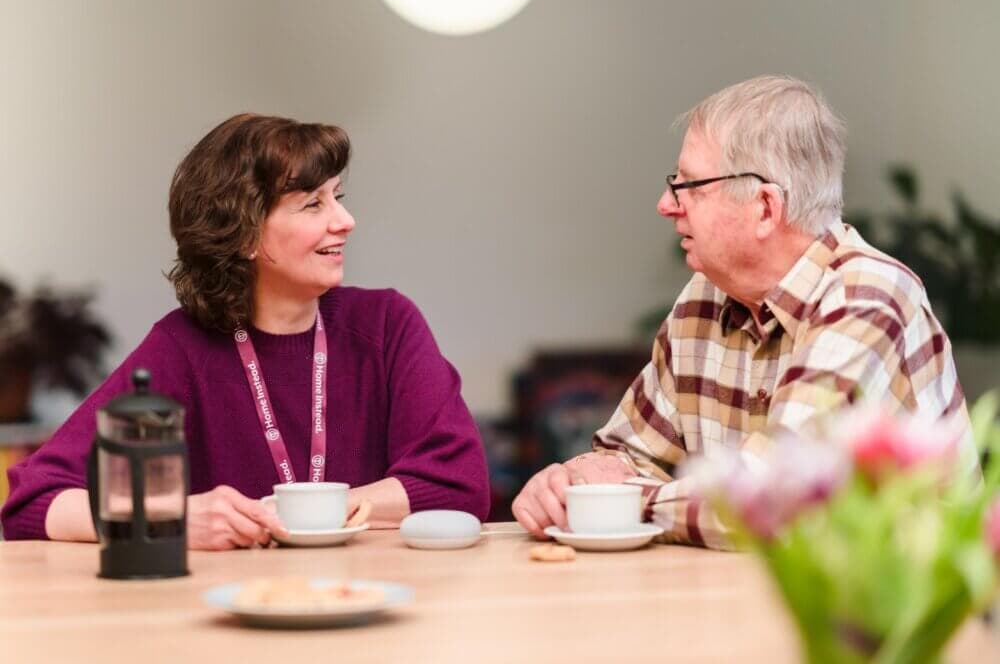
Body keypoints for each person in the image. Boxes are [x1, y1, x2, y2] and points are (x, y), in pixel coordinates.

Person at [512, 75, 977, 549]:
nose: (666, 204)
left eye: (689, 185)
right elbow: (630, 455)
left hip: (891, 596)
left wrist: (617, 501)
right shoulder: (703, 298)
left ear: (765, 208)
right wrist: (570, 482)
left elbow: (774, 500)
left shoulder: (868, 296)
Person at [1, 114, 490, 549]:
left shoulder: (386, 324)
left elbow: (458, 484)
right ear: (246, 233)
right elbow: (32, 500)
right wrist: (169, 519)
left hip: (370, 602)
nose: (346, 221)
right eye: (313, 204)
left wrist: (314, 512)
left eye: (337, 198)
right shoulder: (181, 348)